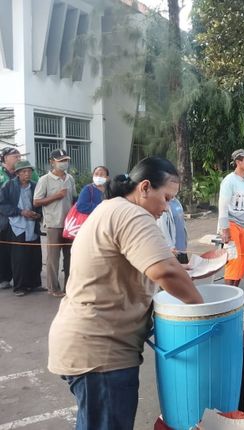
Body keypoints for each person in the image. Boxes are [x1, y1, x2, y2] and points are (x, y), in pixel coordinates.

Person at [48, 156, 204, 430]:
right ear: (145, 187)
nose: (167, 208)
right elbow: (166, 271)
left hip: (88, 346)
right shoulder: (132, 213)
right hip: (102, 353)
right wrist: (202, 310)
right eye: (166, 197)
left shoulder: (113, 208)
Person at [217, 149, 244, 295]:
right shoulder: (229, 181)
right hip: (231, 224)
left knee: (242, 263)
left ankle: (235, 294)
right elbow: (222, 206)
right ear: (238, 162)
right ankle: (228, 298)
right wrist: (224, 229)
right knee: (234, 260)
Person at [34, 149, 76, 297]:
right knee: (53, 258)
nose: (64, 163)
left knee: (70, 256)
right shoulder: (44, 179)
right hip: (53, 223)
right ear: (52, 162)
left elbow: (73, 199)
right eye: (61, 160)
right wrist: (57, 196)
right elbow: (37, 201)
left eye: (66, 160)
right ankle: (53, 288)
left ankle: (69, 287)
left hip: (69, 224)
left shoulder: (69, 178)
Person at [0, 160, 42, 296]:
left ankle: (35, 284)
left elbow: (39, 203)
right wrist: (20, 212)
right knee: (19, 258)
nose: (27, 173)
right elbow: (2, 205)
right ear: (17, 173)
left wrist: (38, 214)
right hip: (17, 225)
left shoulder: (35, 185)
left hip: (32, 224)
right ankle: (20, 287)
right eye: (24, 171)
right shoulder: (9, 185)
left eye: (29, 171)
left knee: (35, 256)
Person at [157, 198, 189, 264]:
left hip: (183, 250)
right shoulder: (163, 203)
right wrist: (170, 246)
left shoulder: (177, 201)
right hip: (173, 252)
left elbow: (181, 222)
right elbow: (162, 227)